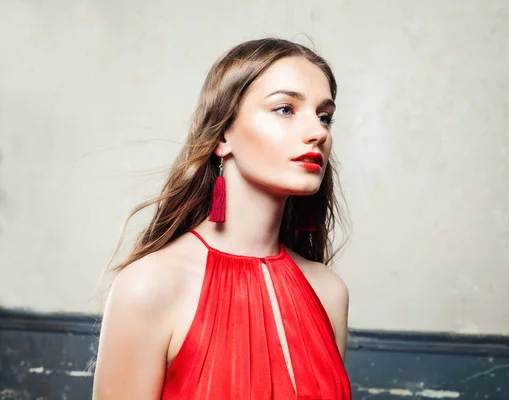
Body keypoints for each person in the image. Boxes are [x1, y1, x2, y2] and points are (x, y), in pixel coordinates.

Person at [92, 37, 352, 399]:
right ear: (223, 135)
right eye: (285, 109)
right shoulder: (150, 287)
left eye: (324, 116)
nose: (318, 132)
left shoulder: (328, 291)